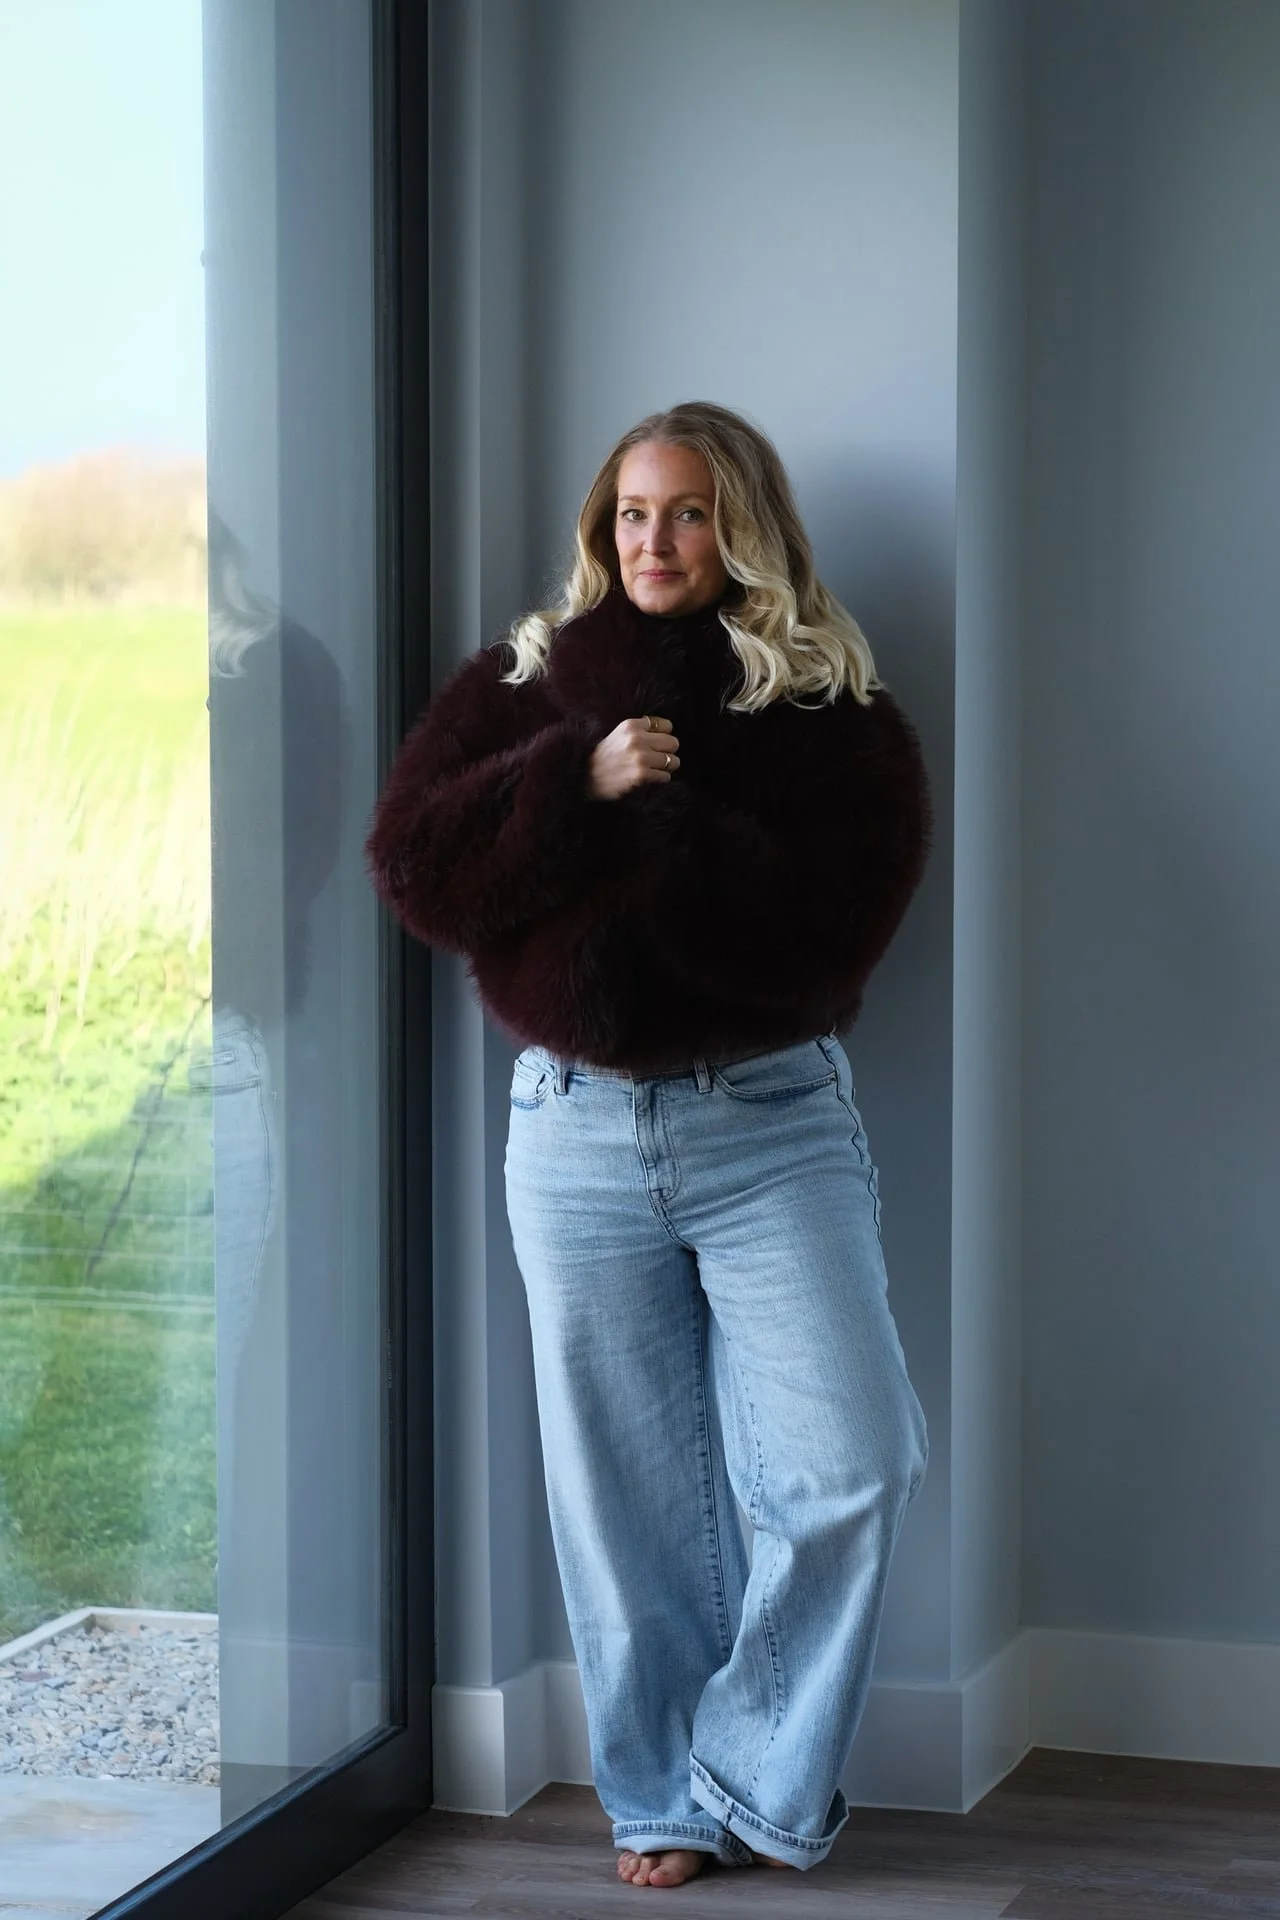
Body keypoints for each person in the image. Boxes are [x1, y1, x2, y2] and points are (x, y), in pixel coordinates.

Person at [364, 400, 933, 1889]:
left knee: (854, 1459)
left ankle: (745, 1762)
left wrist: (668, 826)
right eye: (630, 514)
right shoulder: (532, 679)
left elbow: (830, 937)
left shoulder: (830, 704)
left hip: (773, 1123)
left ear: (741, 524)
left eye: (685, 513)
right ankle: (662, 1800)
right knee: (623, 1502)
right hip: (572, 1134)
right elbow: (416, 867)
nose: (654, 542)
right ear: (598, 530)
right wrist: (580, 783)